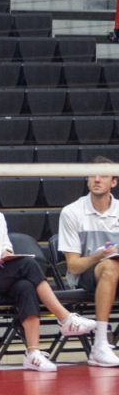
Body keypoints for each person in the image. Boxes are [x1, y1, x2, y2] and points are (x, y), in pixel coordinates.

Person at [0, 154, 95, 372]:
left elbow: (6, 247)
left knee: (24, 286)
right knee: (29, 266)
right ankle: (65, 318)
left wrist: (5, 254)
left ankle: (32, 352)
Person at [56, 157, 119, 367]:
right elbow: (73, 265)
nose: (97, 179)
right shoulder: (72, 212)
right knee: (110, 266)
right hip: (85, 276)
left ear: (114, 182)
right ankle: (100, 344)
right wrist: (100, 255)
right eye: (92, 175)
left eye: (103, 175)